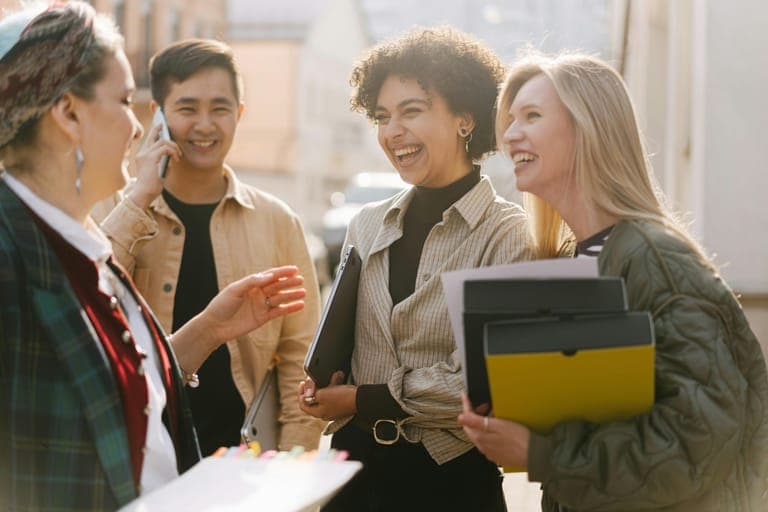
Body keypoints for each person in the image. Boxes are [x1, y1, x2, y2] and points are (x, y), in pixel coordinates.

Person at [0, 3, 306, 510]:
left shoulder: (82, 245)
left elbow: (131, 395)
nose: (137, 127)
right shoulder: (12, 253)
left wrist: (210, 327)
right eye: (124, 101)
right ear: (68, 114)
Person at [458, 50, 768, 511]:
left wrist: (541, 453)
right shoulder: (580, 260)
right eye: (510, 119)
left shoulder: (657, 259)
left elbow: (699, 440)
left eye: (532, 116)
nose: (510, 134)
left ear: (588, 130)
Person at [298, 26, 535, 511]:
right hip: (353, 474)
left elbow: (481, 388)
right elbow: (346, 343)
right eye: (383, 117)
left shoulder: (507, 234)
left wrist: (360, 399)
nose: (392, 132)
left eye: (412, 111)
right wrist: (323, 385)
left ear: (465, 119)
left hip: (452, 484)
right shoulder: (366, 224)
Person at [91, 39, 325, 455]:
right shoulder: (112, 205)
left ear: (240, 113)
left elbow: (301, 361)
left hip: (243, 462)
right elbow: (85, 301)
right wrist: (141, 196)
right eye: (187, 108)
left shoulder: (277, 221)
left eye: (219, 108)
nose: (204, 124)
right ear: (157, 115)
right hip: (138, 453)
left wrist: (293, 469)